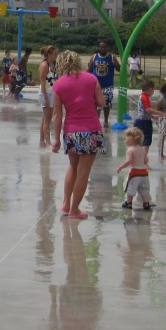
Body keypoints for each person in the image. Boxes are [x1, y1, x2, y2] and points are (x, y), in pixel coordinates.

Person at [51, 49, 106, 220]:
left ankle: (66, 204)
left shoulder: (58, 84)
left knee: (73, 168)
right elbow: (102, 103)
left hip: (71, 131)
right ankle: (75, 210)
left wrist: (56, 139)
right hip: (90, 130)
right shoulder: (91, 79)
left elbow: (57, 114)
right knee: (83, 172)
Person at [117, 127, 151, 211]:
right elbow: (146, 160)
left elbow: (129, 161)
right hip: (144, 173)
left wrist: (121, 167)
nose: (125, 141)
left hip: (135, 173)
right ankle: (146, 203)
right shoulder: (143, 149)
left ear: (132, 139)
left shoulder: (130, 150)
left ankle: (129, 203)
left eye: (126, 138)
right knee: (144, 189)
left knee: (131, 188)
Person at [88, 41, 120, 127]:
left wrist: (116, 64)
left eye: (104, 47)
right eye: (101, 47)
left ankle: (106, 120)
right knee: (96, 104)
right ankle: (96, 120)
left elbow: (119, 69)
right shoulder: (94, 57)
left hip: (108, 85)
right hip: (96, 85)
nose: (103, 48)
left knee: (106, 104)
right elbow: (89, 70)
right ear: (98, 47)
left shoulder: (112, 57)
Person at [37, 45, 58, 149]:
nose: (56, 56)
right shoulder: (44, 65)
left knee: (45, 118)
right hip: (46, 94)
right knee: (47, 119)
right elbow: (42, 81)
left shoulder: (52, 64)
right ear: (49, 54)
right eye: (55, 54)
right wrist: (45, 97)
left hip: (51, 93)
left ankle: (42, 140)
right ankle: (48, 142)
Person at [134, 79, 157, 157]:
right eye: (153, 89)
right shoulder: (145, 97)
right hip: (144, 123)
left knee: (139, 142)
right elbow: (148, 109)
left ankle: (137, 160)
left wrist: (154, 117)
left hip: (139, 121)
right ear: (150, 89)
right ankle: (142, 161)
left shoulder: (142, 96)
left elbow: (145, 112)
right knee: (146, 142)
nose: (153, 91)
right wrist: (159, 113)